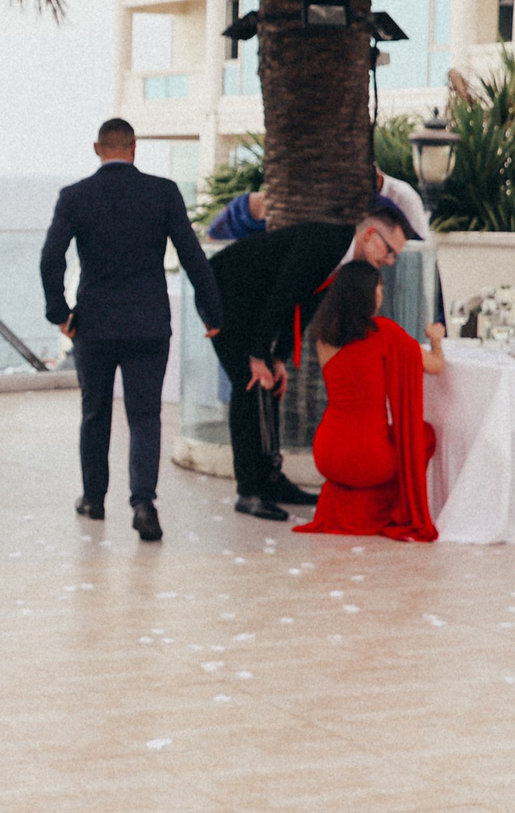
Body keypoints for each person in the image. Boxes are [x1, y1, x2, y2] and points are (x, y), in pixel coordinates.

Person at [41, 117, 222, 542]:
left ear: (97, 149)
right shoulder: (163, 192)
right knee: (145, 416)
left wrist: (60, 314)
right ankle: (143, 504)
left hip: (94, 324)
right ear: (134, 148)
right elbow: (193, 256)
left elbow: (51, 258)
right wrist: (212, 312)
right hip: (149, 323)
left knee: (95, 412)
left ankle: (94, 499)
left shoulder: (75, 196)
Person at [207, 201, 410, 520]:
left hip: (254, 301)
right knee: (249, 385)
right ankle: (250, 491)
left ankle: (271, 479)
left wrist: (279, 358)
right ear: (370, 234)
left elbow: (302, 305)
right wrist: (258, 355)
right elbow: (282, 296)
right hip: (223, 293)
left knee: (270, 385)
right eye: (389, 251)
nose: (389, 261)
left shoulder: (343, 258)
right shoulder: (327, 243)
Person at [296, 261, 442, 542]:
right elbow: (435, 366)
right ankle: (389, 510)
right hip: (368, 459)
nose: (381, 294)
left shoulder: (324, 336)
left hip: (327, 453)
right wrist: (436, 340)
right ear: (370, 293)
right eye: (379, 288)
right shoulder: (385, 333)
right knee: (423, 435)